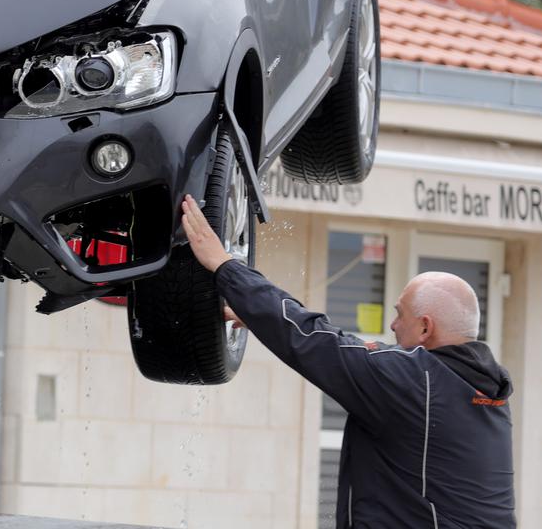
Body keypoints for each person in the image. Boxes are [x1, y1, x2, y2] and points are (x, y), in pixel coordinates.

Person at [180, 195, 516, 528]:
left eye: (400, 315)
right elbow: (356, 353)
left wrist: (225, 266)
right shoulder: (486, 394)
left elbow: (315, 339)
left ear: (426, 326)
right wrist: (260, 316)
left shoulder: (414, 384)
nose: (393, 325)